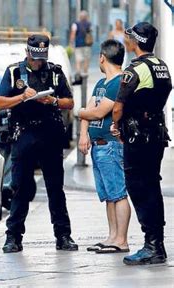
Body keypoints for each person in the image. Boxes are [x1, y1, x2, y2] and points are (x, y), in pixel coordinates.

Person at [0, 34, 78, 253]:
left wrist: (52, 100)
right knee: (20, 187)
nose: (38, 61)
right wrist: (22, 96)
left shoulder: (55, 71)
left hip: (49, 132)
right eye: (34, 57)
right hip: (24, 132)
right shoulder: (14, 72)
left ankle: (63, 236)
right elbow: (0, 102)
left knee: (55, 188)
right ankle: (13, 237)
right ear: (27, 52)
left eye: (41, 57)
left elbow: (69, 102)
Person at [111, 22, 172, 265]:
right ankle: (157, 242)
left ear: (136, 41)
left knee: (138, 187)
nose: (127, 41)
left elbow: (118, 107)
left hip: (138, 137)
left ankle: (152, 245)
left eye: (130, 37)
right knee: (152, 186)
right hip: (156, 134)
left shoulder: (135, 69)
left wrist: (117, 125)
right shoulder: (162, 66)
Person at [78, 39, 131, 254]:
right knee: (109, 195)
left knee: (118, 193)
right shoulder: (102, 84)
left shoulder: (119, 83)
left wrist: (78, 112)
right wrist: (83, 133)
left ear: (102, 57)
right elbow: (90, 110)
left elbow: (97, 112)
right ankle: (112, 237)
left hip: (111, 146)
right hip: (98, 147)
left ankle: (122, 240)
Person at [70, 10, 93, 76]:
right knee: (86, 59)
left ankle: (79, 73)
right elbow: (90, 32)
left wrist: (71, 43)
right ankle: (85, 73)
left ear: (80, 16)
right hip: (87, 44)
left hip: (78, 45)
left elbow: (73, 34)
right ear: (86, 17)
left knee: (78, 60)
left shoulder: (75, 24)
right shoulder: (89, 24)